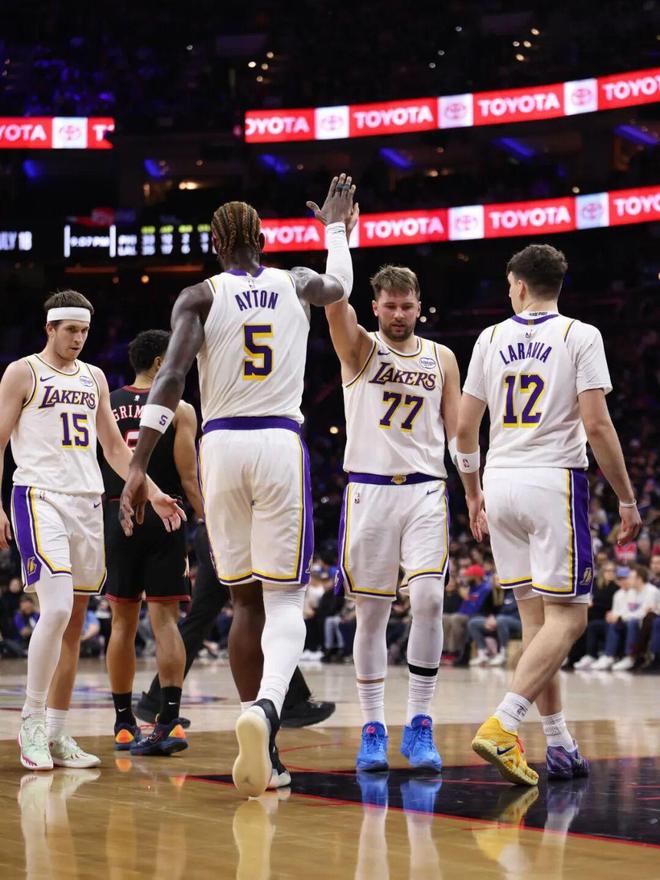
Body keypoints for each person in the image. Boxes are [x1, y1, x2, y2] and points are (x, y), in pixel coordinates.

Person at [119, 175, 356, 798]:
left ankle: (264, 746)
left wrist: (139, 464)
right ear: (262, 240)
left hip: (220, 446)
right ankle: (268, 711)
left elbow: (171, 378)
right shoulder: (296, 282)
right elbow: (342, 286)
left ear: (217, 244)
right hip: (278, 442)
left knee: (244, 603)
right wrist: (336, 230)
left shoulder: (199, 296)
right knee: (285, 599)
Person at [456, 243, 641, 785]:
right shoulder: (580, 335)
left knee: (539, 625)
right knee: (571, 619)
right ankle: (504, 723)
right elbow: (597, 425)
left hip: (499, 481)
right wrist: (627, 499)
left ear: (517, 284)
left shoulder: (490, 338)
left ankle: (559, 744)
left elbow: (465, 429)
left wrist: (472, 493)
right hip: (552, 480)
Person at [308, 198, 463, 773]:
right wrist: (337, 235)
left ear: (420, 305)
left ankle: (420, 723)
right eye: (390, 305)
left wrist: (474, 489)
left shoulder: (442, 357)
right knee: (371, 615)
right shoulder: (360, 348)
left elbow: (457, 433)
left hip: (426, 490)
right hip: (369, 490)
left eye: (407, 305)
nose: (399, 313)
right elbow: (333, 299)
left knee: (429, 599)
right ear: (375, 306)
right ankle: (372, 727)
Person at [0, 289, 184, 771]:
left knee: (73, 624)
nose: (78, 338)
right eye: (70, 330)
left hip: (86, 501)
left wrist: (153, 492)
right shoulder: (23, 372)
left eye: (84, 330)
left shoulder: (95, 377)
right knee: (57, 608)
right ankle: (31, 722)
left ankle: (57, 733)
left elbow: (116, 450)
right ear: (50, 328)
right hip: (38, 495)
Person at [102, 330, 204, 755]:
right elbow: (189, 478)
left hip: (118, 513)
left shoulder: (106, 402)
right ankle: (169, 720)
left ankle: (124, 723)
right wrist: (209, 521)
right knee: (165, 621)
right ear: (161, 362)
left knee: (122, 623)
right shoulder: (180, 407)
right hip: (165, 516)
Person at [135, 521, 336, 731]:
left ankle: (156, 700)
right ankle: (292, 702)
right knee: (254, 613)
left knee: (202, 619)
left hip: (213, 532)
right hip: (224, 531)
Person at [590, 564, 660, 670]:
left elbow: (645, 613)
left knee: (631, 623)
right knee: (614, 624)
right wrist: (616, 616)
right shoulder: (631, 592)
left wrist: (620, 617)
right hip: (631, 621)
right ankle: (609, 655)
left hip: (643, 623)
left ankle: (630, 656)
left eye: (630, 577)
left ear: (639, 579)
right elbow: (627, 610)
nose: (628, 580)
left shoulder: (651, 591)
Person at [468, 576, 522, 667]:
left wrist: (496, 619)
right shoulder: (498, 593)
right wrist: (490, 619)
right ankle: (483, 653)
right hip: (499, 620)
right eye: (496, 579)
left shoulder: (516, 593)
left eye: (500, 579)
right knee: (473, 623)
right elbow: (492, 610)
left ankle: (502, 653)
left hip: (517, 622)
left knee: (501, 620)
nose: (499, 581)